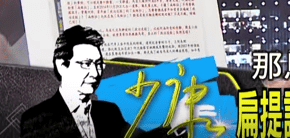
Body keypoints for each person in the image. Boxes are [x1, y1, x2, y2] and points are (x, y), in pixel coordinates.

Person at [20, 26, 182, 138]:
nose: (95, 73)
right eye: (86, 64)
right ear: (62, 66)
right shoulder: (36, 119)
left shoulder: (108, 112)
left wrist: (177, 124)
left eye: (98, 64)